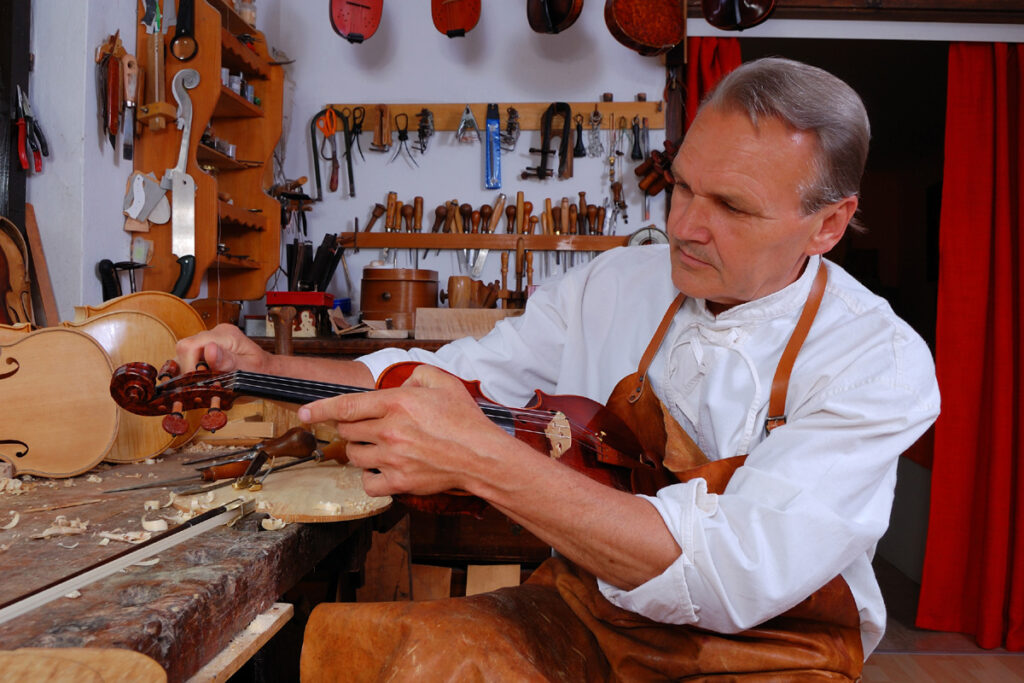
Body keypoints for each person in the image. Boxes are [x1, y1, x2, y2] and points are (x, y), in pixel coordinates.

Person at [177, 57, 940, 680]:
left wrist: (483, 461)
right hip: (589, 616)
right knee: (380, 656)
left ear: (829, 224)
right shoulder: (613, 284)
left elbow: (732, 574)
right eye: (680, 185)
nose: (682, 226)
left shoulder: (876, 362)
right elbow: (446, 381)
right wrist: (266, 366)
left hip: (772, 653)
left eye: (732, 208)